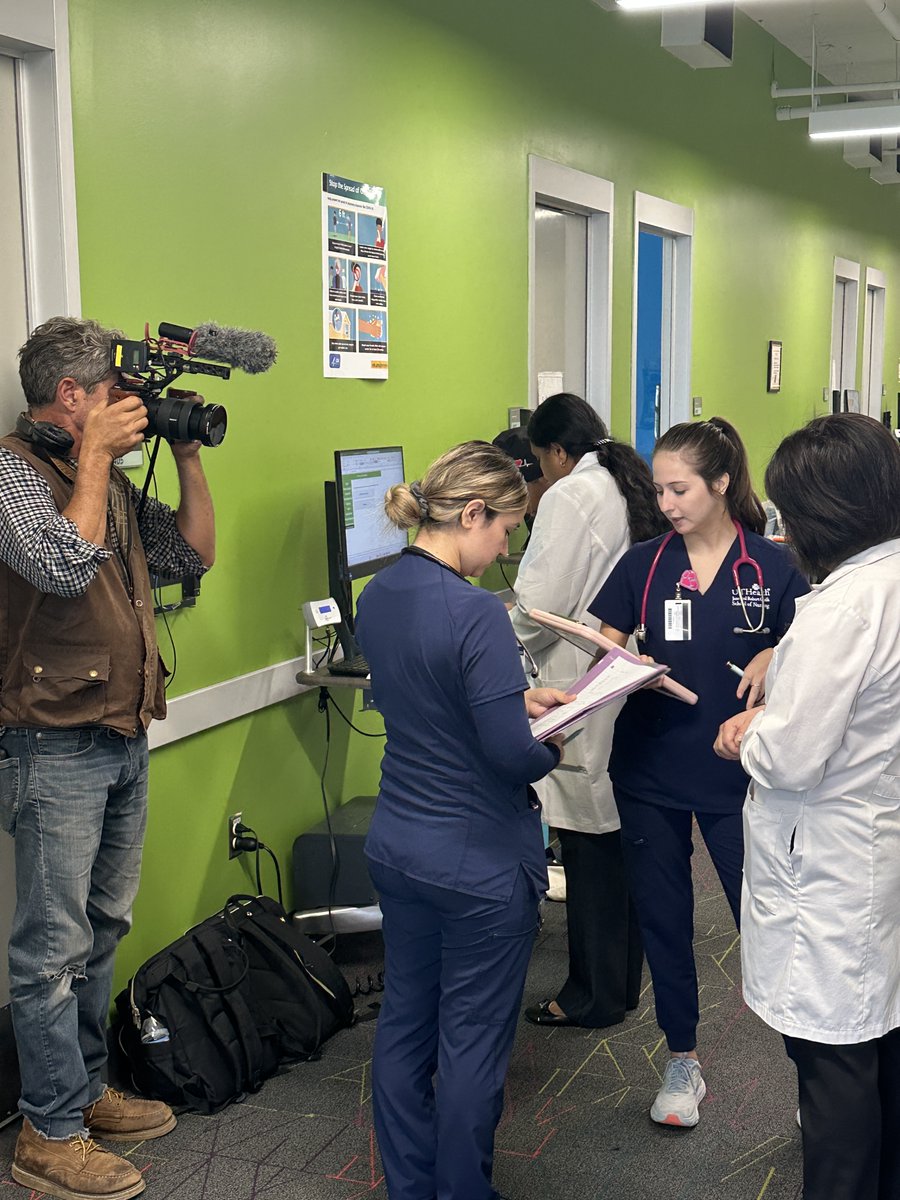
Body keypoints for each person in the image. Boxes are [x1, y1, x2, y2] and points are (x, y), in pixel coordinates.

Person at [0, 316, 216, 1200]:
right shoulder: (13, 474)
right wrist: (94, 460)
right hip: (51, 742)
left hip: (123, 733)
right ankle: (46, 1133)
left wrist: (189, 450)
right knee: (50, 948)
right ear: (71, 397)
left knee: (101, 930)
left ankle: (83, 1090)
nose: (130, 409)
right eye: (114, 394)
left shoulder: (116, 486)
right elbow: (59, 562)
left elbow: (192, 555)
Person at [355, 441, 571, 1200]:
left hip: (401, 845)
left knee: (406, 1024)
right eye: (505, 528)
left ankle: (412, 1189)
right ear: (471, 513)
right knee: (474, 1046)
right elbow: (512, 758)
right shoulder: (478, 614)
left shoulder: (377, 596)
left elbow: (432, 705)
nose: (505, 546)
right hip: (479, 864)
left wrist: (512, 706)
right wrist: (554, 737)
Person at [587, 417, 808, 1127]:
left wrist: (781, 653)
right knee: (665, 919)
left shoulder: (773, 569)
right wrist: (620, 668)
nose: (667, 502)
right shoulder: (643, 564)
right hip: (650, 766)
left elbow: (820, 658)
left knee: (767, 923)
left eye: (679, 488)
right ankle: (682, 1060)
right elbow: (606, 655)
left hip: (738, 774)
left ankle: (815, 1073)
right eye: (659, 489)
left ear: (720, 484)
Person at [714, 413, 900, 1200]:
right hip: (872, 837)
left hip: (830, 857)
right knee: (877, 1039)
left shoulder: (841, 609)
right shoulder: (886, 577)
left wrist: (745, 734)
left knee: (834, 1063)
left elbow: (791, 757)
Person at [508, 393, 668, 1029]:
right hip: (615, 684)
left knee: (591, 853)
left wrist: (480, 634)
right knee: (613, 846)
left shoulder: (569, 495)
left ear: (551, 452)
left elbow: (535, 605)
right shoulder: (616, 481)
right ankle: (618, 986)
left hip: (580, 689)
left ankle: (590, 997)